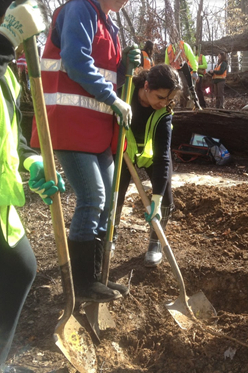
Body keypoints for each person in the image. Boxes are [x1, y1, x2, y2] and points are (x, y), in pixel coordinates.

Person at [30, 0, 142, 303]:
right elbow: (76, 61)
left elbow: (104, 71)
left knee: (107, 201)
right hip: (69, 124)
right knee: (93, 198)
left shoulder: (110, 24)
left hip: (96, 128)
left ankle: (96, 278)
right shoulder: (80, 9)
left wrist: (123, 67)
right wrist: (113, 99)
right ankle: (80, 285)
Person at [0, 0, 65, 368]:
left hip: (1, 204)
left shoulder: (8, 73)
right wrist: (4, 41)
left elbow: (11, 133)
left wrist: (31, 160)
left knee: (19, 269)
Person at [116, 64, 181, 267]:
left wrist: (157, 200)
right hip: (125, 154)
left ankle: (155, 242)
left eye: (169, 100)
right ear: (146, 86)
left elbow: (163, 156)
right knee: (114, 195)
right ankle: (111, 233)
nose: (164, 103)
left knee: (165, 197)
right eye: (160, 97)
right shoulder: (124, 95)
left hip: (152, 158)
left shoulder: (164, 112)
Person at [164, 40, 200, 109]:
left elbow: (192, 58)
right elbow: (166, 64)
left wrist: (195, 71)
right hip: (173, 73)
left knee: (186, 91)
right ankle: (180, 107)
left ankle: (188, 107)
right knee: (176, 92)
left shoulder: (184, 46)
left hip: (184, 72)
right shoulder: (168, 49)